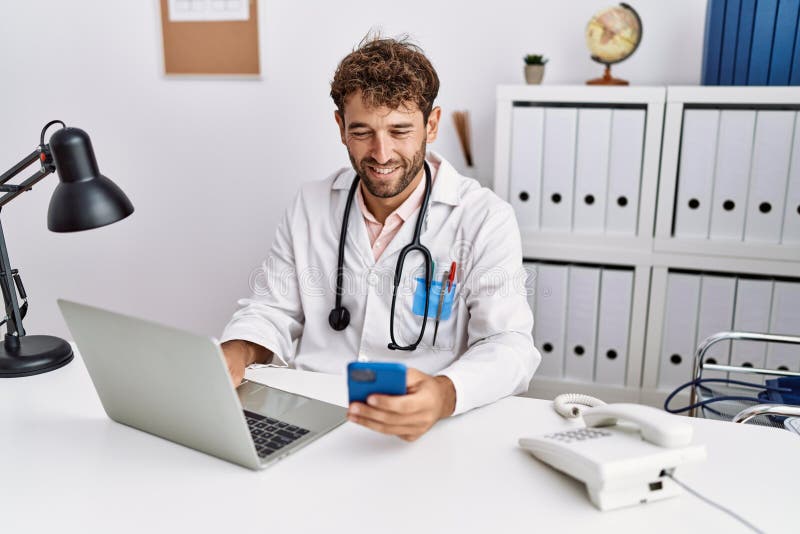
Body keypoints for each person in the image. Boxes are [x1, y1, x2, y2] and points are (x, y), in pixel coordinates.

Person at [221, 35, 539, 441]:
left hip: (422, 424)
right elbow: (271, 310)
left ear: (432, 125)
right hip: (312, 414)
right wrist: (237, 350)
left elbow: (508, 344)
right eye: (362, 131)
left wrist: (444, 394)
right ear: (341, 128)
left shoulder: (484, 218)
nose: (382, 153)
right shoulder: (310, 204)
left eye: (400, 131)